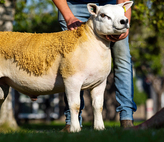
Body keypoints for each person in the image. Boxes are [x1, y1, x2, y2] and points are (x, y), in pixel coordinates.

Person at [52, 0, 137, 131]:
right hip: (74, 6)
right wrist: (68, 16)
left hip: (113, 7)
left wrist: (126, 24)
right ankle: (72, 122)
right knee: (72, 64)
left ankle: (127, 119)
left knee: (122, 58)